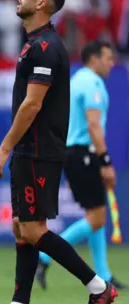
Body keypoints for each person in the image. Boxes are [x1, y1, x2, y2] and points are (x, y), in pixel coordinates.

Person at [0, 0, 117, 304]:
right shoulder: (34, 44)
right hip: (30, 149)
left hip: (38, 150)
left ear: (41, 4)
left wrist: (4, 148)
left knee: (35, 229)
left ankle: (99, 287)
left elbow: (32, 105)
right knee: (22, 228)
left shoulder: (45, 48)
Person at [36, 41, 127, 290]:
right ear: (93, 58)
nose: (112, 63)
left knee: (95, 214)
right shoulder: (91, 83)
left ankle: (104, 275)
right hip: (84, 154)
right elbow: (94, 125)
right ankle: (44, 256)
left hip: (74, 153)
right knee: (97, 218)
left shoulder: (75, 81)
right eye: (108, 58)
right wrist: (105, 161)